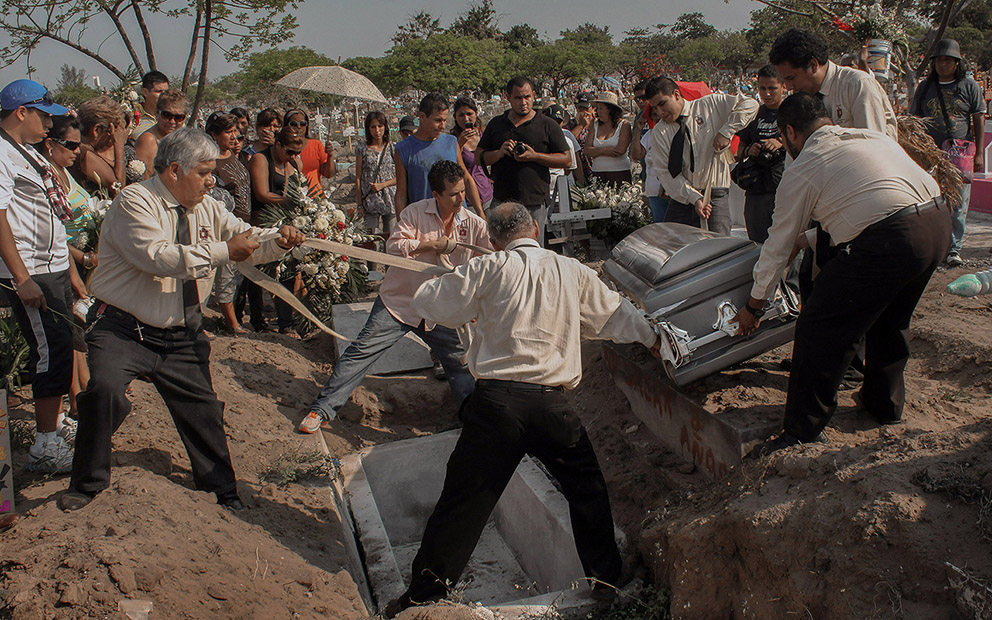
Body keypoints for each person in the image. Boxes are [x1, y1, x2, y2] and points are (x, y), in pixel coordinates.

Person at [383, 202, 660, 617]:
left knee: (463, 503)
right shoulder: (570, 270)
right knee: (587, 491)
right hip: (551, 406)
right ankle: (606, 581)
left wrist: (450, 272)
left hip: (495, 406)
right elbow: (616, 314)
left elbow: (429, 303)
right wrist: (654, 340)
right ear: (534, 228)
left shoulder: (486, 268)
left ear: (494, 241)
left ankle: (422, 597)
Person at [58, 128, 304, 511]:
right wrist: (225, 250)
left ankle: (222, 491)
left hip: (182, 334)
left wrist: (279, 240)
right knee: (104, 392)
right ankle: (86, 485)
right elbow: (159, 257)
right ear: (175, 170)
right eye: (204, 172)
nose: (212, 181)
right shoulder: (135, 201)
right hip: (124, 328)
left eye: (212, 173)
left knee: (203, 410)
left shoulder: (208, 208)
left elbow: (246, 239)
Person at [733, 93, 950, 456]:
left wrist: (754, 305)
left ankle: (802, 431)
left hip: (889, 241)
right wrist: (809, 238)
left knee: (819, 327)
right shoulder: (869, 136)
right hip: (936, 223)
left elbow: (776, 245)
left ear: (789, 133)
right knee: (890, 320)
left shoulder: (805, 165)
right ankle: (884, 406)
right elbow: (871, 199)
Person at [297, 160, 490, 434]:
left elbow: (489, 260)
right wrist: (430, 245)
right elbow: (395, 246)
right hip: (400, 303)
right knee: (361, 352)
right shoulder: (414, 213)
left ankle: (473, 422)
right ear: (436, 195)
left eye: (462, 192)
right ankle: (323, 409)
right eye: (453, 194)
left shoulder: (473, 224)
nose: (461, 199)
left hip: (441, 311)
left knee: (461, 364)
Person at [0, 79, 85, 473]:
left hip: (52, 265)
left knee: (62, 345)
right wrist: (22, 278)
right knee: (50, 352)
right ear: (21, 112)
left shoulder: (26, 152)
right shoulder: (2, 155)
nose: (49, 125)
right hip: (31, 269)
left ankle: (55, 422)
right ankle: (44, 445)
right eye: (43, 116)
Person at [647, 76, 758, 236]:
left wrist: (726, 131)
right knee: (674, 246)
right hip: (682, 198)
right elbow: (664, 172)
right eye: (655, 108)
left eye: (662, 104)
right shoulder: (660, 131)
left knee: (719, 246)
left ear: (676, 94)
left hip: (714, 194)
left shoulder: (710, 105)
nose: (660, 112)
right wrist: (694, 198)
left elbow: (751, 105)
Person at [36, 114, 93, 422]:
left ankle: (84, 393)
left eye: (78, 145)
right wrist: (78, 263)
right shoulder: (45, 176)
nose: (77, 151)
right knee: (66, 336)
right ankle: (76, 400)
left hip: (75, 260)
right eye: (70, 145)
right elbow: (54, 229)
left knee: (76, 332)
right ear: (50, 144)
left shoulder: (63, 172)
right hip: (62, 262)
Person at [910, 38, 985, 268]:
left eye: (948, 60)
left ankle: (954, 249)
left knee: (958, 203)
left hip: (959, 154)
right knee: (930, 200)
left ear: (957, 63)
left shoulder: (969, 86)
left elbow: (978, 117)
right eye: (939, 60)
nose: (943, 64)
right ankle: (934, 246)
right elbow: (915, 119)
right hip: (930, 154)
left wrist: (979, 153)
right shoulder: (925, 87)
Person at [476, 76, 571, 243]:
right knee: (499, 245)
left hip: (534, 200)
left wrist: (535, 156)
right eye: (518, 98)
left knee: (534, 248)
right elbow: (478, 157)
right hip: (502, 200)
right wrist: (499, 153)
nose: (523, 102)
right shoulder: (497, 124)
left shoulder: (547, 124)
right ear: (508, 97)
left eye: (527, 97)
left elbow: (566, 159)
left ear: (534, 95)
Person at [769, 28, 897, 140]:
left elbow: (872, 145)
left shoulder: (857, 85)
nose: (789, 86)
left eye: (791, 78)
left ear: (813, 65)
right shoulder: (801, 99)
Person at [247, 127, 305, 337]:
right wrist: (291, 201)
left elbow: (301, 188)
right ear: (278, 145)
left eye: (297, 153)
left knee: (287, 272)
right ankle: (257, 320)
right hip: (263, 223)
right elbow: (262, 193)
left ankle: (286, 322)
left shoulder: (294, 164)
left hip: (288, 226)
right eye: (289, 152)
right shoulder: (261, 160)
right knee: (256, 274)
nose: (293, 156)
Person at [394, 93, 483, 219]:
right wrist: (402, 224)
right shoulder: (403, 149)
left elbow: (466, 179)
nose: (442, 126)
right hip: (423, 220)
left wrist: (480, 213)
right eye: (437, 120)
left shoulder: (451, 142)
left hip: (456, 219)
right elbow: (401, 194)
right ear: (422, 117)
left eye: (444, 120)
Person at [205, 112, 252, 334]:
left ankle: (235, 318)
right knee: (226, 275)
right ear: (214, 135)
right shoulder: (211, 162)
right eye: (228, 132)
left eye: (235, 131)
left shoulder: (234, 157)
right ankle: (231, 323)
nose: (234, 137)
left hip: (243, 222)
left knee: (238, 275)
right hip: (225, 225)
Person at [734, 65, 787, 243]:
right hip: (756, 189)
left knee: (786, 244)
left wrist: (781, 143)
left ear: (783, 86)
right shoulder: (754, 113)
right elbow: (738, 151)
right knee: (757, 244)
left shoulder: (793, 112)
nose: (767, 93)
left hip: (784, 187)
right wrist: (750, 150)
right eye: (762, 88)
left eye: (772, 88)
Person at [72, 96, 128, 196]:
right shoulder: (84, 153)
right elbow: (118, 188)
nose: (118, 135)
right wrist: (119, 145)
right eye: (114, 131)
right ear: (96, 130)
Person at [355, 110, 397, 238]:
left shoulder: (392, 148)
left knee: (391, 237)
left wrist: (383, 185)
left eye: (380, 126)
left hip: (389, 199)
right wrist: (359, 204)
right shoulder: (362, 149)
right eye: (373, 127)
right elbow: (358, 177)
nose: (377, 130)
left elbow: (400, 176)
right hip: (370, 200)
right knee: (372, 238)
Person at [134, 89, 190, 181]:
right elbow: (144, 179)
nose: (172, 121)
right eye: (167, 115)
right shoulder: (149, 140)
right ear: (157, 113)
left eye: (178, 117)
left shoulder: (184, 139)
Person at [452, 97, 493, 210]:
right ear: (455, 117)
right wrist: (459, 145)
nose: (466, 119)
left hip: (487, 193)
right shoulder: (452, 140)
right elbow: (453, 164)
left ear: (476, 113)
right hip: (467, 198)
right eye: (461, 115)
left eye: (469, 114)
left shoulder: (484, 135)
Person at [584, 91, 633, 187]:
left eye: (601, 108)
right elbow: (586, 150)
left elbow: (620, 150)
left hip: (619, 172)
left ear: (611, 110)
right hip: (598, 172)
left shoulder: (624, 125)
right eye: (598, 108)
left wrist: (596, 152)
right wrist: (606, 150)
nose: (599, 112)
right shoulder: (595, 125)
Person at [283, 109, 335, 194]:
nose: (299, 127)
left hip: (315, 196)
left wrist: (330, 155)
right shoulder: (282, 148)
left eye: (302, 124)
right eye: (294, 124)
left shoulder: (316, 145)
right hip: (291, 196)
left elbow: (328, 174)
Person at [630, 104, 667, 222]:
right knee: (660, 225)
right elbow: (636, 156)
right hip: (653, 189)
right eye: (653, 115)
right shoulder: (649, 135)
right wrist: (638, 130)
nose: (656, 118)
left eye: (658, 114)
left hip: (670, 189)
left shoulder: (673, 132)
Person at [130, 71, 169, 140]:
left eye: (166, 92)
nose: (164, 96)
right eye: (159, 91)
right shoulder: (133, 119)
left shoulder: (175, 118)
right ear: (145, 92)